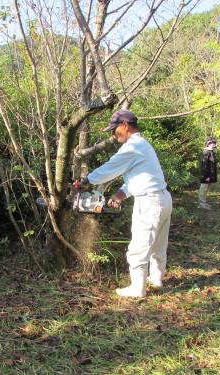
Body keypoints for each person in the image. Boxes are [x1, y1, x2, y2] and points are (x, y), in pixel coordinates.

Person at [80, 109, 172, 298]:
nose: (114, 135)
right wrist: (120, 194)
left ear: (125, 125)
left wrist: (87, 181)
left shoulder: (133, 147)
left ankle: (137, 289)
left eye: (115, 129)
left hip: (150, 202)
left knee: (139, 246)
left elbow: (111, 168)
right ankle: (156, 279)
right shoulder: (142, 145)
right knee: (158, 244)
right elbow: (140, 177)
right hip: (161, 198)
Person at [198, 137, 218, 210]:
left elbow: (212, 164)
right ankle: (201, 204)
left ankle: (204, 202)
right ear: (209, 144)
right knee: (203, 189)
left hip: (210, 175)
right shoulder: (206, 152)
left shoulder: (212, 152)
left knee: (206, 189)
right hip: (206, 175)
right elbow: (204, 165)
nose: (214, 144)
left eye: (215, 143)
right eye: (213, 143)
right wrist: (206, 176)